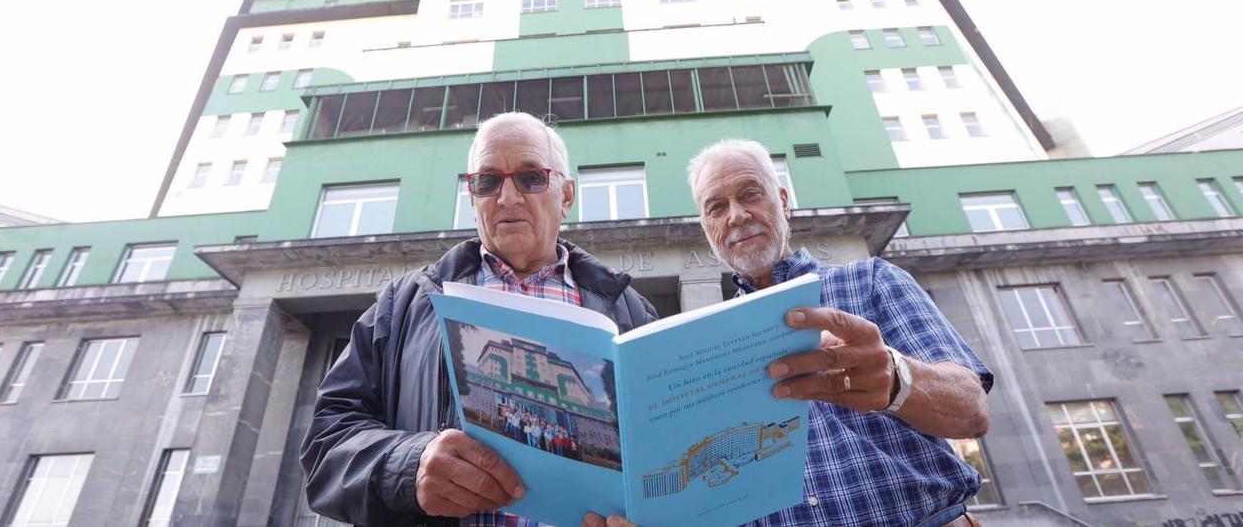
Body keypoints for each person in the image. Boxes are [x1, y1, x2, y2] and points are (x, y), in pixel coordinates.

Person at [597, 138, 995, 527]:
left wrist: (897, 379)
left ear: (784, 202)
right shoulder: (706, 342)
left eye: (750, 194)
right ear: (708, 227)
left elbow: (972, 411)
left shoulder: (872, 280)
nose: (736, 215)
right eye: (716, 207)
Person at [301, 112, 658, 527]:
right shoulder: (404, 305)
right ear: (472, 198)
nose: (507, 198)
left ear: (566, 195)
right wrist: (408, 466)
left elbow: (665, 454)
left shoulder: (631, 312)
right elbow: (326, 446)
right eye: (487, 181)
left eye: (531, 177)